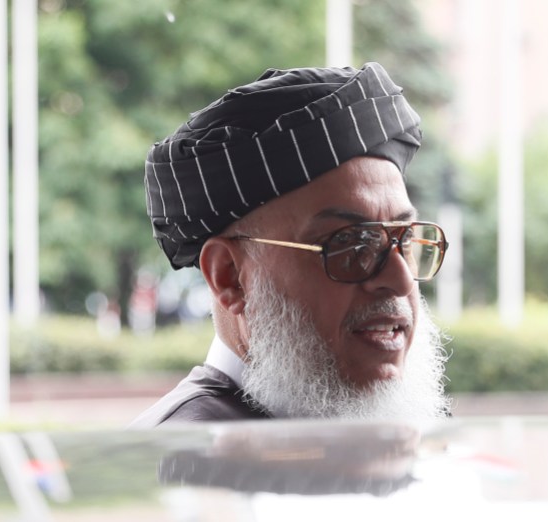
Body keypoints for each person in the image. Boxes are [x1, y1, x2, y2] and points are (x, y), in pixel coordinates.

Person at [130, 62, 451, 428]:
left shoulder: (362, 431)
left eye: (404, 239)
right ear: (230, 277)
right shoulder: (184, 460)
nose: (401, 280)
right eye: (350, 244)